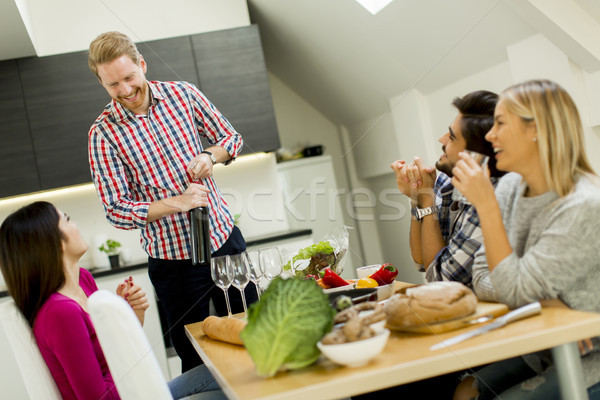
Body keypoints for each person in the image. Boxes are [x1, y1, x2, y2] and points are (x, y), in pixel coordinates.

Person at [87, 31, 257, 372]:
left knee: (256, 337)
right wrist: (175, 203)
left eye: (129, 78)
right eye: (112, 85)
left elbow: (231, 138)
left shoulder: (183, 95)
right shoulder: (102, 134)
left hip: (224, 243)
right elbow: (117, 209)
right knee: (197, 362)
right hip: (173, 265)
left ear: (142, 64)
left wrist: (209, 156)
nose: (124, 91)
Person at [451, 79, 600, 399]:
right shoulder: (510, 187)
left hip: (590, 361)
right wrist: (543, 298)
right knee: (464, 391)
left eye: (500, 123)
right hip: (543, 349)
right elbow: (483, 277)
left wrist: (485, 206)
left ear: (537, 129)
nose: (490, 136)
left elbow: (510, 286)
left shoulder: (584, 206)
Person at [0, 201, 225, 400]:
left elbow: (110, 355)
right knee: (231, 390)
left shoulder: (83, 281)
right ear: (56, 242)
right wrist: (120, 335)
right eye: (67, 220)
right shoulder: (59, 313)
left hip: (135, 392)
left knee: (230, 373)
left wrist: (129, 317)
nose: (75, 224)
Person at [391, 90, 504, 288]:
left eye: (451, 137)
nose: (442, 139)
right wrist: (418, 196)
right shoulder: (449, 183)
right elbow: (421, 261)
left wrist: (427, 201)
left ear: (473, 155)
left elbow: (440, 279)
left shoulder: (494, 195)